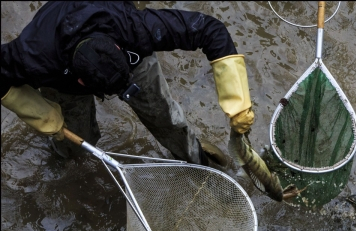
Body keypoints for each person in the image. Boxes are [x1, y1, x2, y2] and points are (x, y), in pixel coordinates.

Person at [1, 1, 254, 166]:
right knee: (73, 141)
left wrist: (238, 102)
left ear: (118, 48)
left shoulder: (136, 27)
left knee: (165, 118)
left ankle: (197, 163)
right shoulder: (32, 57)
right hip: (62, 75)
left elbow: (210, 30)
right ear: (81, 81)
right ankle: (64, 162)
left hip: (128, 53)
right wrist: (37, 112)